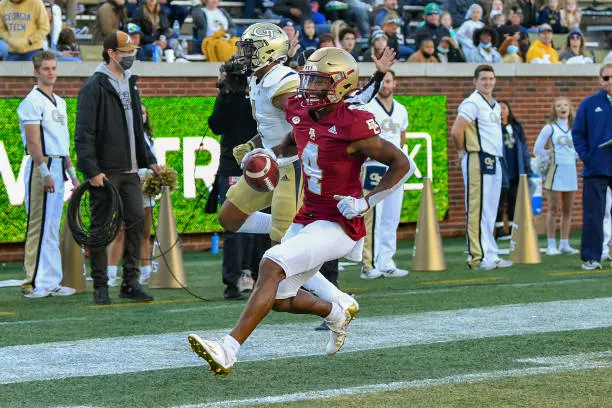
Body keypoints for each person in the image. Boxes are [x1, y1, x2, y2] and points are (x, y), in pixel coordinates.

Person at [187, 47, 413, 376]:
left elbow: (402, 164)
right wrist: (269, 154)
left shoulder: (354, 123)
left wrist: (366, 202)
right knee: (279, 297)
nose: (309, 88)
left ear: (340, 85)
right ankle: (335, 312)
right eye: (308, 79)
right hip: (308, 216)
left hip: (339, 223)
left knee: (271, 263)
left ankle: (228, 349)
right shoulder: (303, 110)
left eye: (319, 82)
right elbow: (295, 141)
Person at [75, 31, 160, 305]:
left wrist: (149, 159)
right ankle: (101, 285)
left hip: (131, 169)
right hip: (106, 171)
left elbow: (136, 128)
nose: (130, 56)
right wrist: (91, 170)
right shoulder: (94, 86)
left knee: (136, 222)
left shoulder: (130, 83)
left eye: (132, 51)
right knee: (101, 228)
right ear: (111, 53)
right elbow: (84, 132)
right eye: (125, 52)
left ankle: (130, 282)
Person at [18, 51, 79, 298]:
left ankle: (51, 280)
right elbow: (33, 142)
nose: (51, 72)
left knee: (52, 225)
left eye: (54, 68)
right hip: (40, 167)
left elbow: (62, 143)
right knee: (38, 225)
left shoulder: (60, 102)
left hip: (58, 165)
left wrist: (72, 173)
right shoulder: (31, 101)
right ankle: (32, 282)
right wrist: (44, 172)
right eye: (46, 69)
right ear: (36, 72)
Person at [451, 64, 513, 270]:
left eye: (491, 79)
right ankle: (477, 256)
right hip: (477, 157)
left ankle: (490, 252)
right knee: (477, 208)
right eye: (484, 79)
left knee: (489, 209)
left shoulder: (494, 104)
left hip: (494, 158)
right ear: (475, 81)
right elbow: (456, 131)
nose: (488, 82)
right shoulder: (472, 103)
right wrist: (463, 152)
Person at [207, 57, 259, 300]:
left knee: (234, 223)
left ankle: (235, 280)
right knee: (257, 221)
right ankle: (253, 275)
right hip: (257, 165)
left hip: (234, 166)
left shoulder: (229, 99)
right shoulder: (255, 98)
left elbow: (215, 125)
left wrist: (223, 93)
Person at [360, 70, 412, 279]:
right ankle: (368, 264)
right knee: (373, 216)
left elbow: (402, 136)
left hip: (395, 168)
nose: (385, 85)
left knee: (392, 216)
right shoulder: (368, 107)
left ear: (395, 83)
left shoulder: (401, 109)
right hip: (374, 165)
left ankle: (387, 261)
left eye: (388, 81)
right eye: (382, 82)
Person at [571, 64, 612, 270]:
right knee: (593, 214)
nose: (610, 81)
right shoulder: (589, 104)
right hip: (596, 167)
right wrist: (587, 157)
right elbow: (577, 133)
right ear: (600, 80)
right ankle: (591, 257)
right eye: (606, 78)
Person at [534, 97, 579, 256]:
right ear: (554, 110)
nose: (562, 108)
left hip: (571, 171)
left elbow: (580, 146)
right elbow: (537, 149)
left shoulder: (575, 127)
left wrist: (576, 155)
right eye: (558, 106)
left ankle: (565, 244)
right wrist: (550, 155)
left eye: (565, 105)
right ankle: (551, 244)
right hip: (555, 171)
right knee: (554, 209)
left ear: (569, 108)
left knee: (568, 210)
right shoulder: (550, 128)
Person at [495, 100, 532, 239]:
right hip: (502, 169)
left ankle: (512, 227)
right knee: (500, 200)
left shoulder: (516, 127)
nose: (501, 111)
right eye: (498, 108)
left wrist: (527, 169)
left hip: (516, 169)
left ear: (509, 110)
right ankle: (499, 229)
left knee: (514, 200)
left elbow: (524, 149)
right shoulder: (494, 127)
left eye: (504, 108)